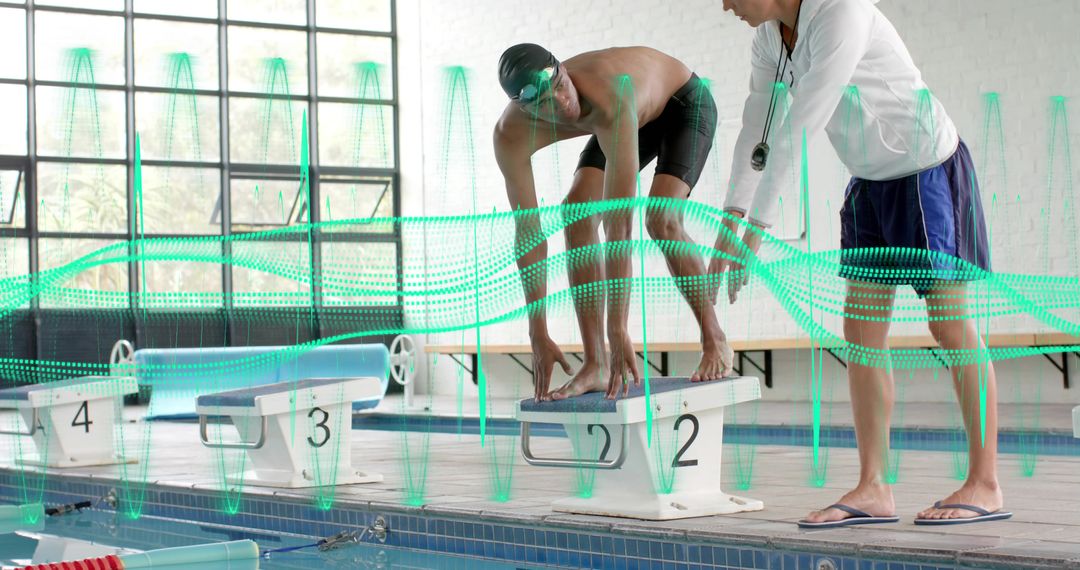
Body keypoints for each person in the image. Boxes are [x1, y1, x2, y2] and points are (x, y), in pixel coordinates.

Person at [713, 0, 1011, 526]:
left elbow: (800, 128)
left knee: (948, 324)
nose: (724, 5)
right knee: (862, 332)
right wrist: (728, 224)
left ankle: (985, 483)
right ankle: (874, 487)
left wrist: (754, 233)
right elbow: (757, 133)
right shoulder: (768, 38)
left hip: (924, 167)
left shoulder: (841, 12)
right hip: (869, 181)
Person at [493, 44, 734, 401]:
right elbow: (529, 236)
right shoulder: (509, 134)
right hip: (630, 116)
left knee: (661, 217)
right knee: (576, 211)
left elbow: (619, 227)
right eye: (545, 101)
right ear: (524, 109)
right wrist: (537, 330)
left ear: (562, 69)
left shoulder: (608, 95)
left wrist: (618, 327)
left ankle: (715, 339)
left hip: (682, 103)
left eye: (561, 84)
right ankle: (596, 364)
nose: (562, 102)